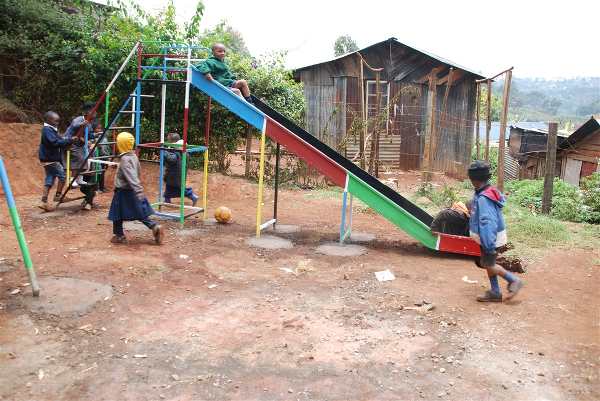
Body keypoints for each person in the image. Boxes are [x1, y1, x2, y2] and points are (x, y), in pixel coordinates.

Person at [468, 160, 523, 302]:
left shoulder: (484, 199)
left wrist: (488, 244)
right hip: (487, 237)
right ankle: (495, 292)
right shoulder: (484, 192)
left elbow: (488, 223)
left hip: (489, 237)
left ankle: (514, 280)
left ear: (473, 179)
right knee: (486, 262)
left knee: (489, 264)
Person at [108, 132, 163, 245]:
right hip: (132, 190)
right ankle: (154, 227)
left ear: (121, 145)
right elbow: (136, 172)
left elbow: (131, 176)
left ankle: (119, 236)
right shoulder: (133, 156)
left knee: (116, 214)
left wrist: (138, 189)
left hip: (123, 191)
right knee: (139, 213)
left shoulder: (124, 160)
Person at [38, 111, 74, 211]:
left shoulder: (51, 130)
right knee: (62, 176)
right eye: (55, 120)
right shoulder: (47, 130)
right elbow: (54, 142)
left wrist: (68, 139)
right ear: (48, 120)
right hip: (51, 159)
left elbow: (59, 139)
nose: (57, 122)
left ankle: (43, 201)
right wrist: (69, 141)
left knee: (50, 177)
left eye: (58, 120)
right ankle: (58, 195)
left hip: (47, 159)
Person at [64, 102, 97, 210]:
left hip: (80, 144)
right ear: (87, 113)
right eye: (93, 111)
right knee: (77, 159)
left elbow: (91, 134)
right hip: (71, 141)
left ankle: (79, 178)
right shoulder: (79, 119)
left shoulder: (90, 123)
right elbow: (74, 125)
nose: (95, 113)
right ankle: (72, 178)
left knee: (83, 160)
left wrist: (92, 138)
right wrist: (83, 124)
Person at [163, 133, 199, 206]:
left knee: (179, 189)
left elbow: (172, 159)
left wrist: (165, 153)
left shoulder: (177, 150)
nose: (168, 142)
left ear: (173, 142)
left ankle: (192, 196)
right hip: (175, 172)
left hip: (175, 174)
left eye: (169, 141)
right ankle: (167, 199)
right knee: (169, 186)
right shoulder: (182, 148)